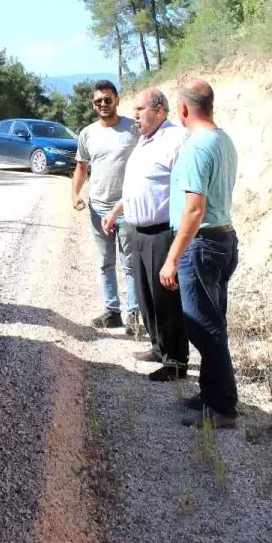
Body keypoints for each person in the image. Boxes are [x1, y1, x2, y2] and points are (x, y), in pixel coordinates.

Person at [160, 79, 240, 428]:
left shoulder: (196, 146)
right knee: (213, 322)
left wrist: (172, 257)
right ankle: (211, 394)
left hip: (202, 244)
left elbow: (194, 209)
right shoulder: (224, 139)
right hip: (223, 240)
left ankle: (222, 408)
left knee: (203, 327)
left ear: (183, 109)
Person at [103, 88, 189, 381]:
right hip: (136, 229)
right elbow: (136, 185)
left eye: (140, 109)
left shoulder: (176, 140)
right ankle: (158, 347)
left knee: (166, 299)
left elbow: (186, 188)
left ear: (160, 110)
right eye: (135, 110)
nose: (135, 115)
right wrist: (116, 211)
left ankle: (176, 361)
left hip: (161, 232)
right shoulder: (144, 141)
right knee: (145, 296)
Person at [72, 80, 140, 331]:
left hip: (128, 209)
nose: (103, 104)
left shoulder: (133, 129)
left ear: (117, 100)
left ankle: (134, 315)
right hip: (97, 209)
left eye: (107, 100)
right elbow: (81, 167)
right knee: (105, 262)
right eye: (98, 101)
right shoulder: (87, 133)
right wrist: (75, 194)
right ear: (93, 105)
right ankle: (112, 312)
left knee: (131, 264)